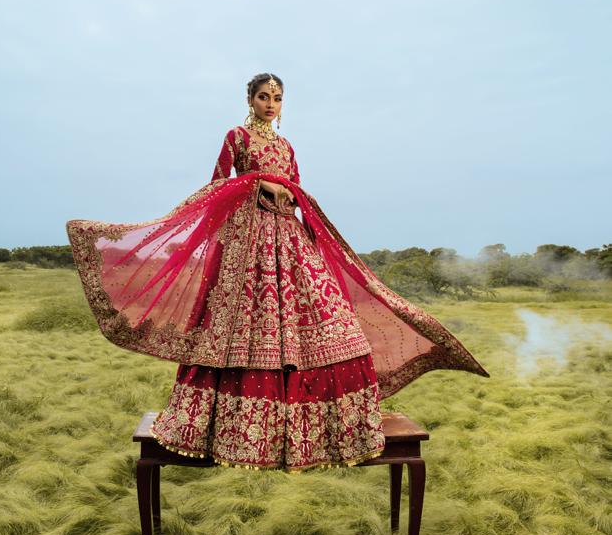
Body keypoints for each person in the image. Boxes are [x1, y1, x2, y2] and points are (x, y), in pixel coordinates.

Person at [66, 72, 489, 472]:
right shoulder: (237, 137)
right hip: (248, 243)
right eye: (264, 97)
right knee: (240, 328)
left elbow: (296, 190)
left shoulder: (286, 147)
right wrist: (257, 183)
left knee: (330, 318)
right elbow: (216, 186)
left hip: (290, 239)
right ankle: (231, 430)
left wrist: (291, 197)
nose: (271, 104)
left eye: (278, 98)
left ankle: (322, 429)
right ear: (250, 100)